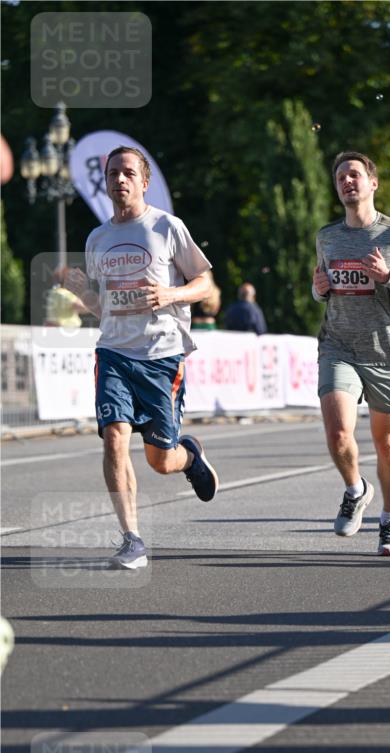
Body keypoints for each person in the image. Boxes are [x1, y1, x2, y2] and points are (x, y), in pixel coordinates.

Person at [64, 146, 219, 570]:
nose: (120, 180)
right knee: (114, 435)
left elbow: (204, 283)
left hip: (162, 355)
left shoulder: (167, 227)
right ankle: (132, 539)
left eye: (128, 172)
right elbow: (107, 308)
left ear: (143, 181)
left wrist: (171, 293)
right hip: (114, 352)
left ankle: (188, 457)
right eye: (113, 173)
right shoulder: (97, 239)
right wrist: (84, 296)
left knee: (159, 460)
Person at [312, 150, 390, 557]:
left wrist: (389, 277)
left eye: (355, 175)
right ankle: (354, 488)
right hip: (338, 345)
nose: (348, 181)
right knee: (338, 432)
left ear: (372, 183)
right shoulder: (327, 237)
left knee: (386, 443)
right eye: (341, 177)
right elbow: (322, 288)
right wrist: (319, 289)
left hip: (384, 351)